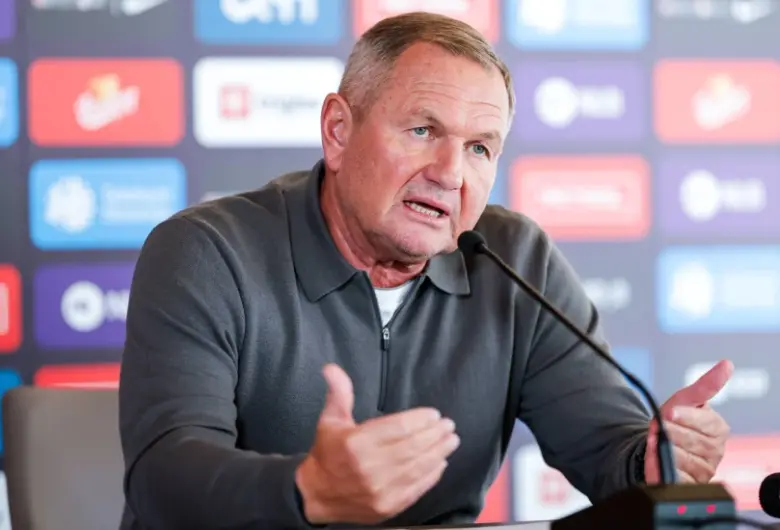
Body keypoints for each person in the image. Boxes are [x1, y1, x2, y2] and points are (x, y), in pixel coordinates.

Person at [118, 11, 733, 530]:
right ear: (338, 131)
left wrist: (655, 462)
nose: (450, 173)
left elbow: (608, 449)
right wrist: (308, 490)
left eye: (479, 147)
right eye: (422, 130)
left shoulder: (516, 260)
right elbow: (164, 476)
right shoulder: (207, 252)